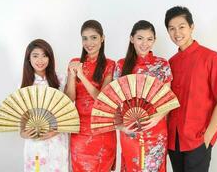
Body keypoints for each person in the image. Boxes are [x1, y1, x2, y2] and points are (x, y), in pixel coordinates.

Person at [165, 6, 217, 172]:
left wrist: (208, 135)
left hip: (198, 139)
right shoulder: (170, 63)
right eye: (171, 29)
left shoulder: (211, 58)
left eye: (182, 27)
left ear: (191, 27)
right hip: (174, 139)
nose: (177, 33)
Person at [114, 20, 173, 172]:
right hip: (130, 131)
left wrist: (156, 119)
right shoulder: (121, 65)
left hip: (156, 129)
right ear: (131, 38)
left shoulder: (162, 65)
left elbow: (167, 100)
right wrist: (121, 126)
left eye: (149, 39)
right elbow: (113, 101)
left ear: (154, 40)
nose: (144, 43)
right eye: (140, 38)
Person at [65, 20, 117, 171]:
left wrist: (81, 77)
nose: (89, 42)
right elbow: (69, 99)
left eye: (94, 37)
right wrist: (72, 76)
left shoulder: (110, 64)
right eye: (85, 38)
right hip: (79, 130)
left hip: (103, 130)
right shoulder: (74, 63)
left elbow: (103, 100)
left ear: (102, 38)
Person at [20, 39, 69, 172]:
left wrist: (56, 130)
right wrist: (25, 134)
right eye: (35, 55)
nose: (40, 60)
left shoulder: (62, 79)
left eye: (44, 55)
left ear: (50, 57)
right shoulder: (25, 87)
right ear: (29, 59)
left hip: (57, 141)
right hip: (35, 144)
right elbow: (22, 127)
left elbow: (69, 113)